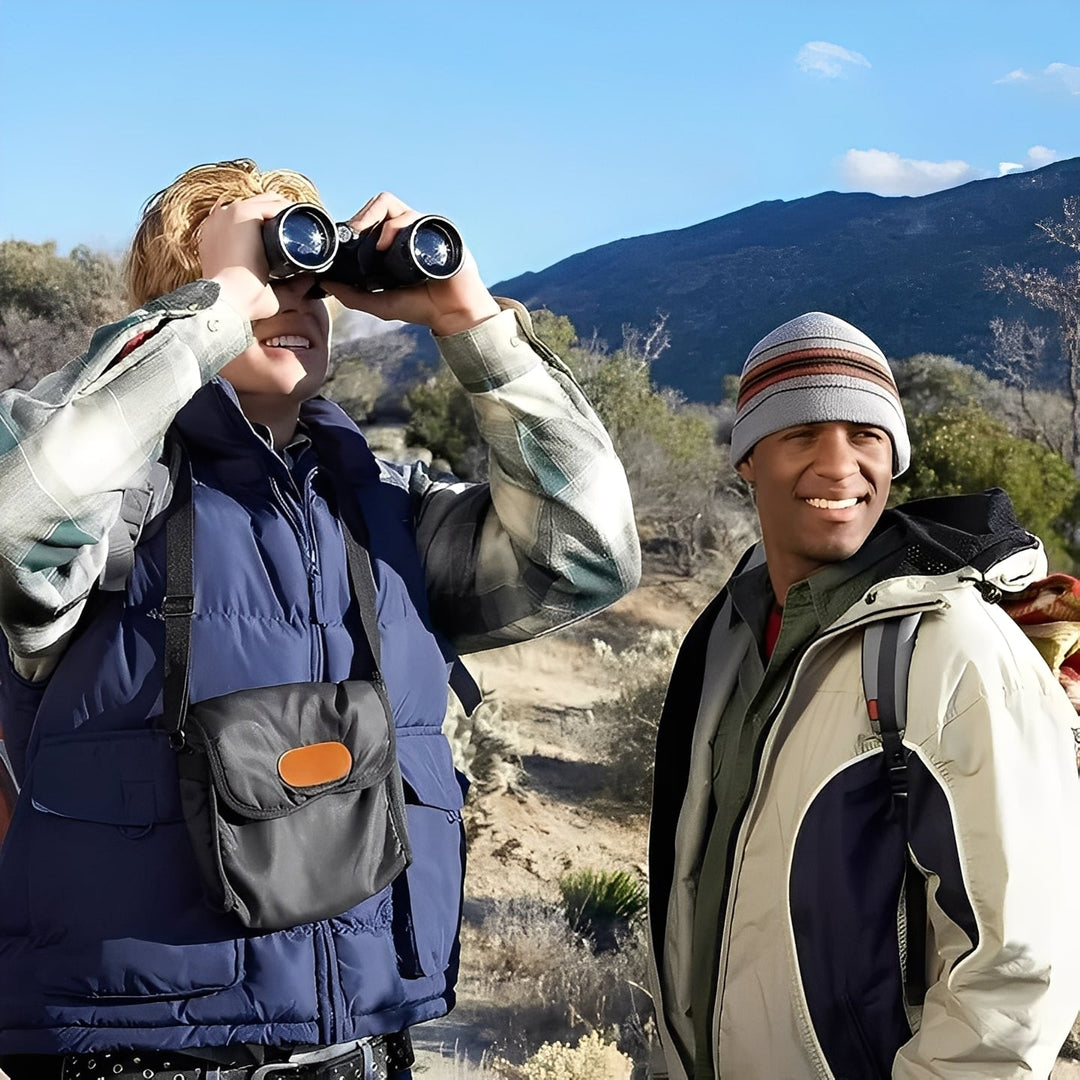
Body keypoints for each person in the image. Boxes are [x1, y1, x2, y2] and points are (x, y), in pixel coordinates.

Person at [0, 160, 641, 1080]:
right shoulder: (112, 510)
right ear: (189, 301)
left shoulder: (387, 511)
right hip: (136, 1052)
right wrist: (215, 306)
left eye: (308, 275)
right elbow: (16, 515)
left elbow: (590, 550)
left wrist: (472, 322)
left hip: (363, 1043)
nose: (290, 298)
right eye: (264, 273)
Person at [647, 311, 1080, 1079]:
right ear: (748, 458)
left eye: (866, 436)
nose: (839, 465)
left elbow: (1016, 970)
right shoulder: (731, 629)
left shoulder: (954, 649)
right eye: (801, 434)